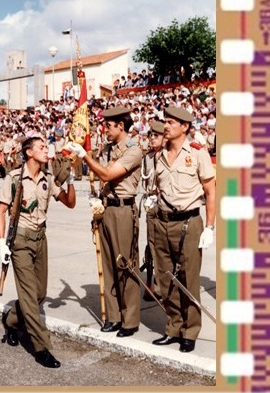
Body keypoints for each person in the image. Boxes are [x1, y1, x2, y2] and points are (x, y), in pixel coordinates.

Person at [0, 136, 76, 368]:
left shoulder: (47, 178)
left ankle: (11, 321)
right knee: (30, 298)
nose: (46, 150)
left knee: (39, 294)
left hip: (41, 239)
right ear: (28, 153)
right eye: (41, 147)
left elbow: (69, 203)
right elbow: (0, 212)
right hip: (20, 240)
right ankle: (42, 347)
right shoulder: (13, 178)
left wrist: (70, 181)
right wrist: (2, 243)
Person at [68, 106, 142, 338]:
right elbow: (101, 176)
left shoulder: (134, 150)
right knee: (109, 264)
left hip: (123, 211)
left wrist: (85, 156)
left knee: (125, 264)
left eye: (109, 125)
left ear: (121, 126)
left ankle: (129, 319)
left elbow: (108, 175)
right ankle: (113, 316)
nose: (104, 129)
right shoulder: (108, 149)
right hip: (106, 208)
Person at [152, 107, 215, 353]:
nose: (165, 126)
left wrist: (209, 226)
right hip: (162, 221)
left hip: (189, 223)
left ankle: (190, 331)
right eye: (165, 122)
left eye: (170, 122)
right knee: (166, 277)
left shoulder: (197, 153)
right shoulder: (159, 154)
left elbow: (210, 191)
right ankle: (173, 327)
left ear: (185, 126)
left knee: (189, 278)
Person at [141, 121, 166, 301]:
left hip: (165, 204)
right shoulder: (147, 158)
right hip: (151, 204)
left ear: (165, 138)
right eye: (150, 135)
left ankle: (162, 286)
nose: (152, 138)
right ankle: (151, 283)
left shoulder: (168, 155)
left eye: (156, 135)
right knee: (151, 244)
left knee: (164, 246)